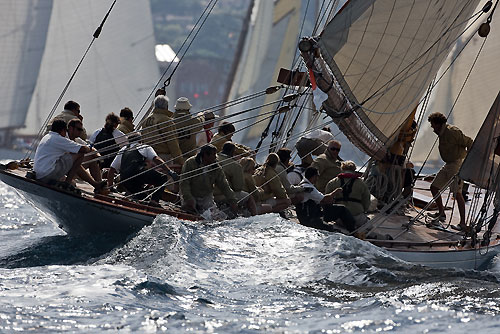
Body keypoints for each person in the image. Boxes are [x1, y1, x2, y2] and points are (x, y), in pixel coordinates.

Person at [427, 112, 473, 232]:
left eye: (433, 126)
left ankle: (463, 224)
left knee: (457, 194)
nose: (432, 129)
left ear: (438, 124)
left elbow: (469, 142)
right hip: (448, 164)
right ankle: (441, 214)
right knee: (434, 187)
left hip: (456, 164)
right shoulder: (442, 133)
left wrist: (467, 163)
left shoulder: (452, 132)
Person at [34, 119, 104, 192]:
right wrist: (88, 148)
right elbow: (83, 150)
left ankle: (95, 184)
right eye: (79, 129)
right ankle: (68, 182)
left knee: (74, 158)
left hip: (39, 174)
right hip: (47, 174)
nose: (80, 132)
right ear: (63, 130)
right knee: (80, 154)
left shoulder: (47, 136)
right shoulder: (59, 139)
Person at [108, 132, 178, 204]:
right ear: (140, 140)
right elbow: (156, 159)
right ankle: (154, 201)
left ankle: (141, 203)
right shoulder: (144, 147)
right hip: (138, 175)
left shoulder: (122, 150)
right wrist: (170, 171)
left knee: (143, 197)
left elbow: (112, 169)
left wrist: (110, 187)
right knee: (162, 178)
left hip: (125, 180)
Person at [180, 144, 238, 214]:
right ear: (205, 155)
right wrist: (188, 198)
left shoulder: (216, 167)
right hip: (191, 194)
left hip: (206, 196)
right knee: (189, 210)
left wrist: (232, 200)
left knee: (213, 216)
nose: (215, 157)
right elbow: (184, 183)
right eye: (213, 155)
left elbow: (224, 185)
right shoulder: (190, 163)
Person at [296, 167, 355, 232]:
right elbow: (325, 199)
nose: (317, 179)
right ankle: (352, 231)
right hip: (311, 219)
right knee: (332, 230)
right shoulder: (309, 188)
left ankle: (351, 229)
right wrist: (335, 192)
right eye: (317, 176)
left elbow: (320, 199)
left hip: (313, 214)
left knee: (341, 209)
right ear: (314, 176)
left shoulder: (303, 184)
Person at [214, 142, 258, 215]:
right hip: (222, 195)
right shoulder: (235, 165)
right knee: (249, 197)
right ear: (233, 152)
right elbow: (238, 187)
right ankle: (253, 218)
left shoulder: (213, 159)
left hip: (209, 193)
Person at [141, 95, 184, 166]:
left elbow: (143, 139)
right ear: (166, 106)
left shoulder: (146, 120)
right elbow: (172, 142)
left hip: (148, 157)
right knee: (164, 176)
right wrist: (179, 161)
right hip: (163, 158)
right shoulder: (166, 121)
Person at [325, 161, 371, 226]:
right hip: (357, 217)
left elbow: (326, 200)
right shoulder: (362, 183)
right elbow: (367, 200)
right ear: (354, 170)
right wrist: (364, 210)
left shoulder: (333, 182)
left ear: (342, 169)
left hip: (339, 218)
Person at [67, 118, 102, 183]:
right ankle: (96, 184)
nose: (80, 132)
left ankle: (99, 184)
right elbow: (84, 149)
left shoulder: (77, 139)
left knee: (92, 159)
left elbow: (90, 147)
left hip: (70, 167)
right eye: (78, 129)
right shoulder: (65, 139)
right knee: (80, 156)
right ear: (71, 128)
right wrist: (88, 150)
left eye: (81, 130)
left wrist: (98, 157)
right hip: (64, 168)